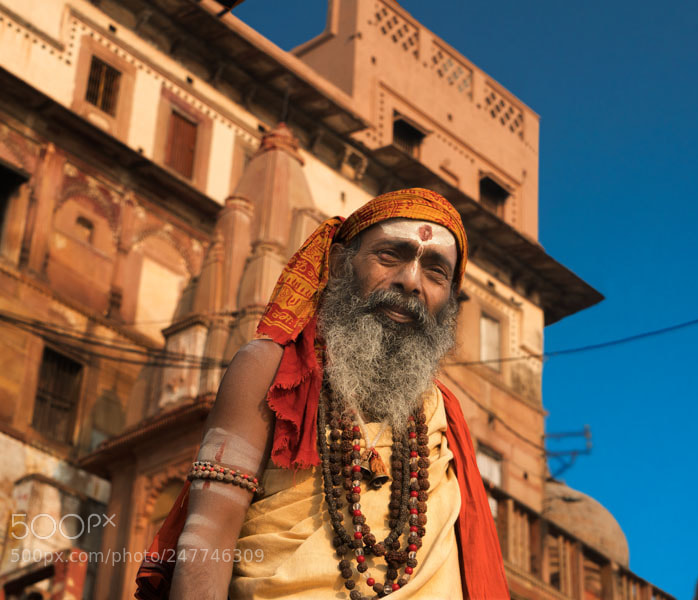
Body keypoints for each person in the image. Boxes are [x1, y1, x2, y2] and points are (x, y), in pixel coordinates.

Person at [136, 188, 508, 599]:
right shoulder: (272, 371)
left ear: (450, 301)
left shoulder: (445, 417)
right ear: (339, 264)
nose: (411, 281)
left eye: (436, 272)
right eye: (390, 256)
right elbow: (208, 538)